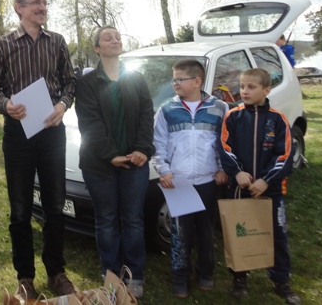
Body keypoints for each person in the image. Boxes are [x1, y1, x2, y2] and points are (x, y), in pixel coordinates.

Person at [0, 0, 77, 300]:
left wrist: (62, 105)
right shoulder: (3, 45)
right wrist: (6, 104)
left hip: (52, 133)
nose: (42, 7)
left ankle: (56, 271)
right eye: (36, 2)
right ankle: (25, 277)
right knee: (20, 210)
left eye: (45, 2)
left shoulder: (58, 42)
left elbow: (70, 82)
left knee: (55, 206)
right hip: (18, 135)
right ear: (18, 7)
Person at [75, 26, 155, 299]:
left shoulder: (136, 78)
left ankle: (134, 276)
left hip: (134, 163)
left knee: (133, 220)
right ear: (97, 48)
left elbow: (146, 115)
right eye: (107, 38)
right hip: (99, 165)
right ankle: (110, 277)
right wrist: (110, 154)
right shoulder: (87, 83)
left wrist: (142, 149)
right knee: (107, 220)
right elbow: (89, 123)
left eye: (118, 36)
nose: (115, 40)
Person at [219, 68, 300, 305]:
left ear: (266, 90)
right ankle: (239, 278)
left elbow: (284, 155)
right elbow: (224, 148)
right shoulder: (232, 117)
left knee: (277, 235)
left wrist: (266, 180)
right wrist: (237, 172)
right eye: (242, 86)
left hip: (270, 190)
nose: (244, 91)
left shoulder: (278, 119)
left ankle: (281, 280)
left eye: (251, 87)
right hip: (239, 188)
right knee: (239, 233)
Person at [152, 59, 229, 299]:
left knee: (206, 231)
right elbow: (158, 142)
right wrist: (164, 170)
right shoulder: (167, 109)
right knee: (180, 233)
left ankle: (205, 273)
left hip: (208, 181)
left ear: (197, 81)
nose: (175, 83)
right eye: (173, 79)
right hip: (180, 183)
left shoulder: (220, 108)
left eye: (180, 79)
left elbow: (225, 142)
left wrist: (222, 168)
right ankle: (180, 277)